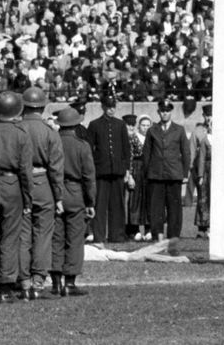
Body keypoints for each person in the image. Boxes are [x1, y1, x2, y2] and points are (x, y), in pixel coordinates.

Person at [17, 86, 64, 300]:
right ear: (43, 107)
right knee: (43, 234)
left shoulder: (17, 128)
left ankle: (24, 278)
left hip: (20, 183)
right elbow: (56, 169)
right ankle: (38, 278)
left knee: (23, 233)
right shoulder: (49, 132)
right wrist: (59, 196)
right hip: (43, 183)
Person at [0, 91, 32, 303]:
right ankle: (5, 284)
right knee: (10, 238)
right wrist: (27, 198)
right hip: (13, 185)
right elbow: (25, 170)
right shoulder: (20, 134)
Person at [50, 107, 96, 297]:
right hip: (76, 193)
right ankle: (69, 282)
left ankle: (55, 282)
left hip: (55, 193)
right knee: (75, 239)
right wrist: (91, 201)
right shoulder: (82, 145)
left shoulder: (52, 142)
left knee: (56, 238)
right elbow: (89, 176)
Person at [143, 100, 190, 248]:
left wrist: (185, 173)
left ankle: (173, 237)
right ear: (158, 112)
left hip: (174, 174)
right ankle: (158, 236)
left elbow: (186, 153)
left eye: (167, 111)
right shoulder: (152, 130)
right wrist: (148, 172)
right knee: (156, 208)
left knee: (174, 208)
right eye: (162, 111)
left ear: (171, 112)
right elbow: (147, 154)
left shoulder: (179, 130)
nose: (165, 113)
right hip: (156, 175)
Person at [84, 94, 128, 244]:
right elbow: (89, 148)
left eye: (113, 107)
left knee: (117, 206)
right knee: (100, 206)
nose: (111, 110)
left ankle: (117, 236)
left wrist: (126, 169)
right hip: (101, 172)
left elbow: (125, 149)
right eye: (108, 107)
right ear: (103, 107)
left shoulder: (120, 124)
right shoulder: (94, 124)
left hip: (117, 171)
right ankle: (99, 236)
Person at [125, 114, 150, 241]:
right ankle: (133, 229)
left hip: (148, 170)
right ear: (138, 126)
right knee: (134, 200)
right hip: (136, 168)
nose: (145, 128)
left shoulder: (151, 138)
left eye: (147, 125)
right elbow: (129, 156)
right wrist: (129, 174)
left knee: (147, 199)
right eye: (143, 125)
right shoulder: (133, 137)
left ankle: (148, 228)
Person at [194, 104, 212, 238]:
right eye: (207, 116)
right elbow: (196, 154)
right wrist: (199, 174)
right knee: (203, 198)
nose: (209, 119)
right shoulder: (198, 132)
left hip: (217, 171)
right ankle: (202, 226)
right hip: (204, 170)